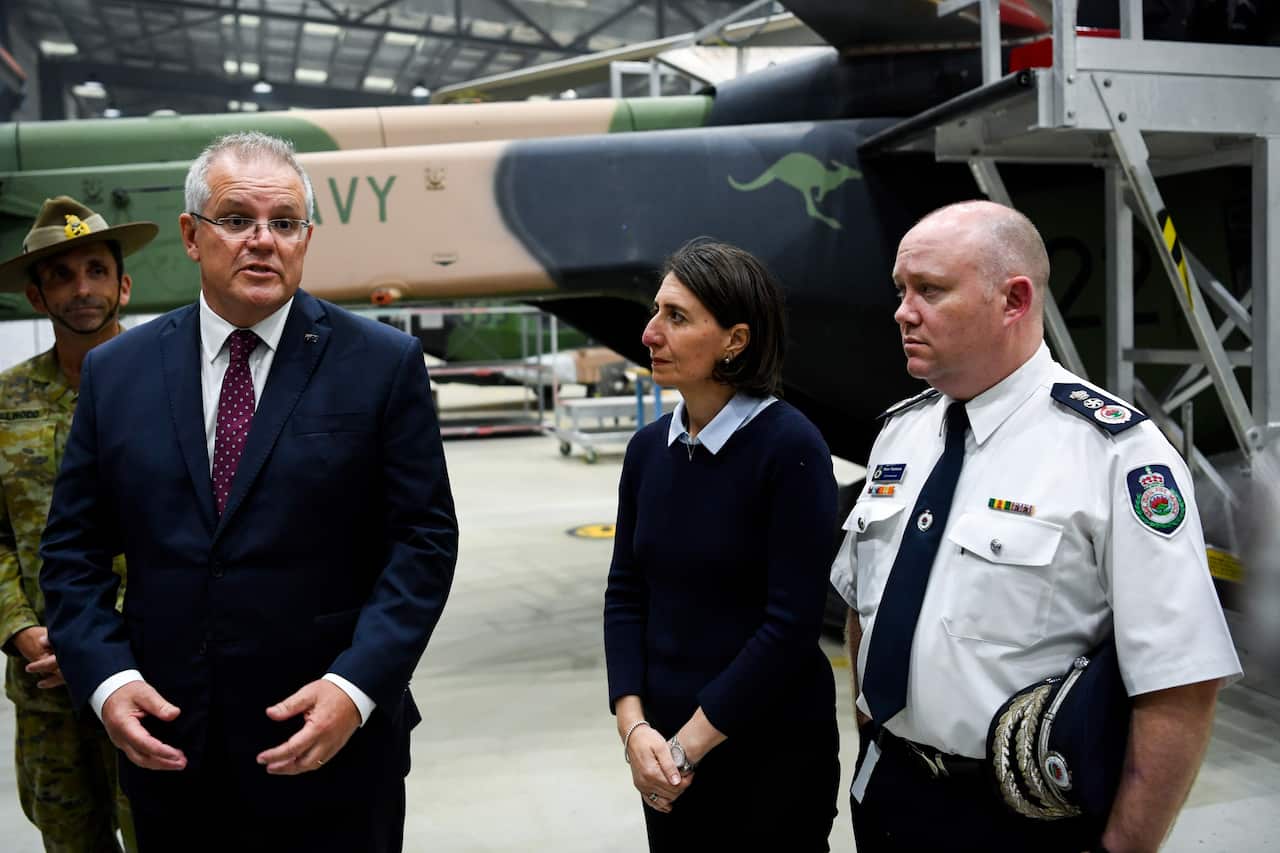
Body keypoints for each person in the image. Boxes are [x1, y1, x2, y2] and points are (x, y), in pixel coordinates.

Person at [38, 132, 458, 853]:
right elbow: (72, 551)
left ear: (306, 238)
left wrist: (356, 686)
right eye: (236, 219)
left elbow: (423, 542)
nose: (262, 241)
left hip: (332, 752)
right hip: (170, 752)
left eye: (284, 222)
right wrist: (108, 680)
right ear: (191, 235)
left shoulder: (381, 364)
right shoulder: (118, 373)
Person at [831, 200, 1242, 852]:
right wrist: (870, 743)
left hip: (1016, 818)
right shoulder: (901, 434)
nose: (903, 311)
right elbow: (863, 604)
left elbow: (1180, 681)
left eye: (930, 290)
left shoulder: (1115, 455)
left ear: (1014, 300)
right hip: (887, 790)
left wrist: (1123, 847)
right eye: (901, 290)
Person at [604, 239, 840, 851]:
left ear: (735, 340)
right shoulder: (647, 451)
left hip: (767, 754)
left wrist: (688, 747)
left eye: (677, 317)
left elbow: (790, 625)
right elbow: (625, 593)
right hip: (663, 756)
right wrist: (634, 729)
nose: (650, 333)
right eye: (657, 312)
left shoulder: (789, 448)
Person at [0, 196, 153, 852]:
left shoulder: (169, 388)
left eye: (96, 270)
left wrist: (102, 640)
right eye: (61, 276)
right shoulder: (5, 400)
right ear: (37, 297)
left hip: (148, 671)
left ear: (124, 285)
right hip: (45, 684)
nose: (82, 288)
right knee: (68, 839)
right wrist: (19, 628)